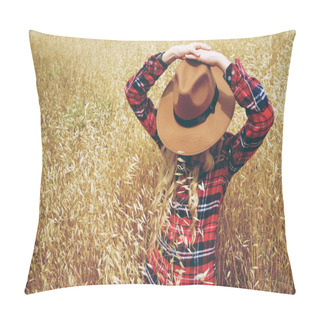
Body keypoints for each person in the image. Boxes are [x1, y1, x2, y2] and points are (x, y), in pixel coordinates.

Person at [124, 43, 274, 286]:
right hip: (156, 275)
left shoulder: (223, 155)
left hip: (196, 286)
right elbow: (132, 93)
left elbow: (264, 118)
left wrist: (222, 63)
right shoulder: (172, 143)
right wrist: (170, 55)